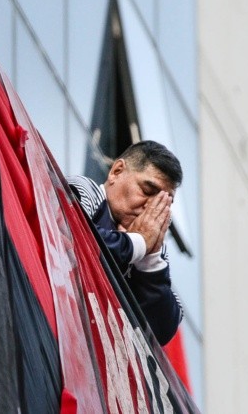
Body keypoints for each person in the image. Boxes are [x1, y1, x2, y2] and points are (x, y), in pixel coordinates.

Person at [68, 140, 183, 345]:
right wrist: (137, 243)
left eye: (163, 203)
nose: (150, 208)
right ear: (117, 171)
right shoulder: (84, 191)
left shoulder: (152, 250)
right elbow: (72, 238)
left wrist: (150, 260)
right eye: (148, 191)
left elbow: (163, 329)